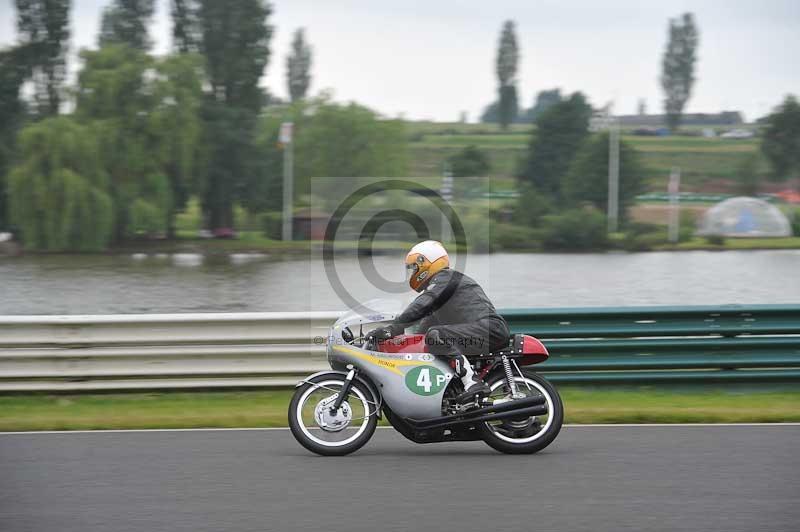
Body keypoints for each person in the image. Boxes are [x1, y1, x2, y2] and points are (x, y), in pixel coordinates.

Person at [366, 240, 510, 404]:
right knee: (430, 337)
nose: (412, 273)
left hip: (490, 329)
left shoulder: (446, 279)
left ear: (426, 263)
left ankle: (473, 383)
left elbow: (422, 304)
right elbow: (421, 335)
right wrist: (395, 341)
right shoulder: (440, 293)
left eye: (414, 268)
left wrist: (393, 328)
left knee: (436, 335)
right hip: (481, 330)